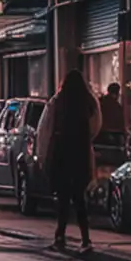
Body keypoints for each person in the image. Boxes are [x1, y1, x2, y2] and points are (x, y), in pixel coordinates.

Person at [37, 69, 102, 251]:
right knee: (79, 198)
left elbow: (45, 128)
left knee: (63, 197)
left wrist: (42, 154)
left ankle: (60, 237)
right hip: (80, 153)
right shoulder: (89, 103)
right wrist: (86, 138)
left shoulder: (57, 102)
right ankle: (86, 239)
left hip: (61, 152)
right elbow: (96, 125)